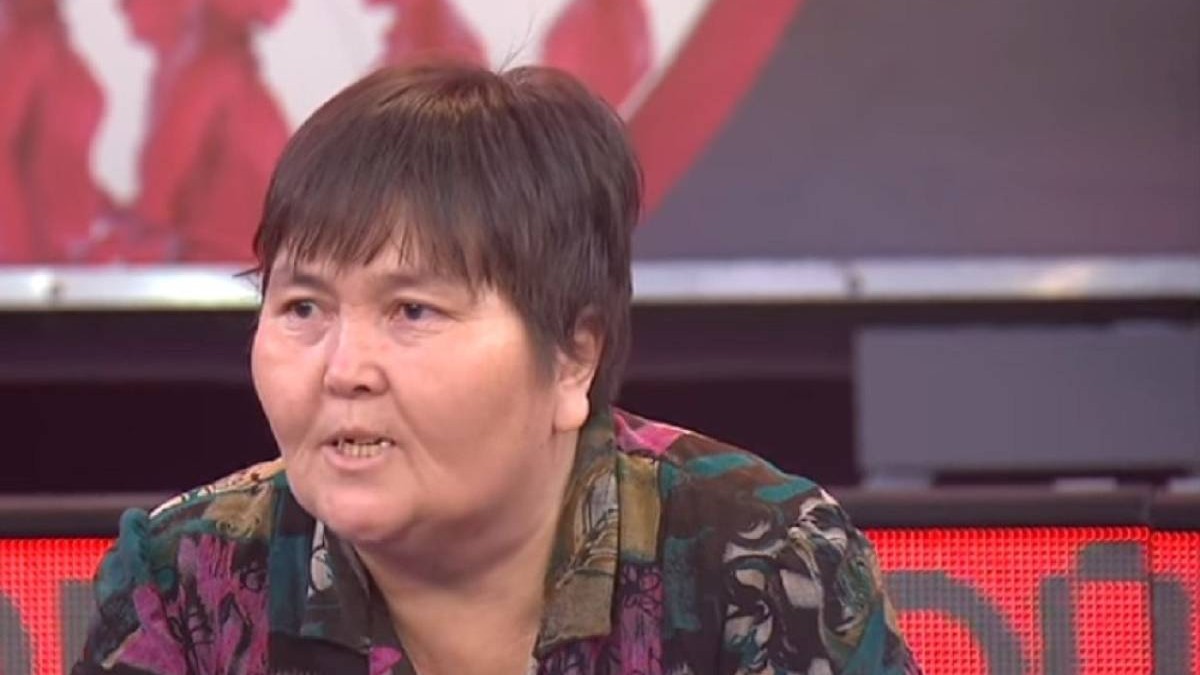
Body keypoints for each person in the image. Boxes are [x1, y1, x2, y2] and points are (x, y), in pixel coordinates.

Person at [72, 62, 921, 675]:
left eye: (412, 310)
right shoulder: (188, 579)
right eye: (303, 308)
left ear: (572, 356)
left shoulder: (760, 559)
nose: (344, 369)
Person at [120, 0, 290, 261]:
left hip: (240, 263)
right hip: (221, 264)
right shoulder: (211, 69)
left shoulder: (217, 70)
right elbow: (162, 182)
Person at [0, 0, 109, 262]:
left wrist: (117, 217)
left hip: (70, 247)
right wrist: (22, 253)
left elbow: (60, 158)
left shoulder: (49, 41)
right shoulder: (27, 43)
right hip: (35, 252)